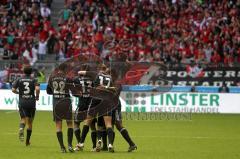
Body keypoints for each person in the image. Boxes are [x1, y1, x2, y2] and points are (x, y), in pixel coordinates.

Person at [78, 64, 118, 152]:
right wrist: (106, 87)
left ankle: (81, 143)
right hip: (107, 101)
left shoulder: (95, 74)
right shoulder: (109, 77)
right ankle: (110, 144)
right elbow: (115, 89)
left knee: (87, 122)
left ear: (99, 69)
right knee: (108, 124)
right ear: (105, 69)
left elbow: (80, 72)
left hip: (96, 99)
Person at [46, 64, 74, 153]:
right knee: (69, 123)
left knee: (58, 125)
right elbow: (73, 91)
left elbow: (48, 91)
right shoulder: (67, 78)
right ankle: (70, 145)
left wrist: (56, 93)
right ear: (65, 69)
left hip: (56, 103)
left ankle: (62, 147)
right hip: (66, 102)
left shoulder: (51, 77)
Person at [12, 66, 40, 146]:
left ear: (24, 72)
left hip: (22, 102)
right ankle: (27, 141)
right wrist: (37, 96)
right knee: (30, 122)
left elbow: (13, 89)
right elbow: (37, 89)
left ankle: (21, 128)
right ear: (31, 72)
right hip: (31, 102)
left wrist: (19, 93)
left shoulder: (19, 79)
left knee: (23, 118)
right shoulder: (34, 79)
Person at [72, 64, 97, 152]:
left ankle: (79, 143)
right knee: (92, 126)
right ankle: (94, 146)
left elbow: (73, 92)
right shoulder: (93, 79)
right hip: (91, 103)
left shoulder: (76, 79)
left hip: (82, 104)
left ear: (81, 70)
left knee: (76, 123)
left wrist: (78, 94)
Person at [112, 83, 137, 152]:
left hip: (115, 104)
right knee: (110, 125)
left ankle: (132, 144)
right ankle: (110, 145)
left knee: (118, 125)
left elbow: (119, 89)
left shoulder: (116, 81)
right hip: (110, 104)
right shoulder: (106, 79)